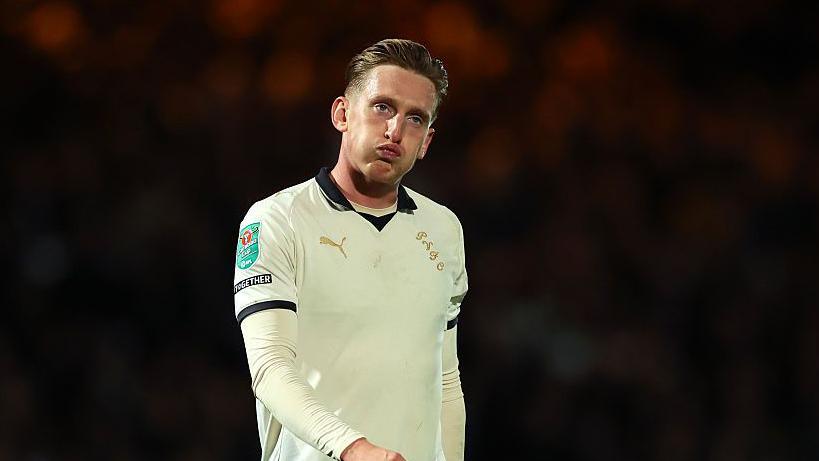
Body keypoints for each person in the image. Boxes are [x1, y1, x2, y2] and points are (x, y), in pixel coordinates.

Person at [233, 39, 467, 461]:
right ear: (342, 114)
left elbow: (446, 380)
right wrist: (352, 448)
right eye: (382, 107)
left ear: (427, 141)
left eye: (415, 119)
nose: (395, 131)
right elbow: (269, 368)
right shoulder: (276, 220)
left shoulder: (444, 230)